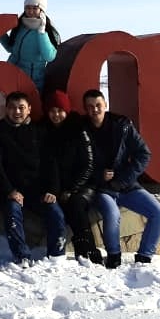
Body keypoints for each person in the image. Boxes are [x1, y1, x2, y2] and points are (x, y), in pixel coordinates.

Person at [81, 89, 160, 268]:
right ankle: (114, 256)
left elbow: (143, 154)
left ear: (105, 105)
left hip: (126, 184)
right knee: (112, 214)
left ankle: (144, 257)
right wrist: (99, 175)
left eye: (98, 105)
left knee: (158, 213)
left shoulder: (122, 125)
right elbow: (77, 162)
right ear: (85, 109)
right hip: (100, 188)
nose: (94, 109)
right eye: (90, 106)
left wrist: (122, 178)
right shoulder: (81, 130)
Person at [0, 91, 66, 265]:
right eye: (13, 108)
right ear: (6, 109)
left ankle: (57, 256)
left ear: (29, 109)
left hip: (37, 190)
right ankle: (22, 256)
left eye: (21, 107)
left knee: (56, 212)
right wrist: (9, 191)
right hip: (11, 190)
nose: (17, 112)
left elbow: (51, 164)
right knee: (12, 212)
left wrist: (52, 190)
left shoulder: (40, 131)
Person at [40, 90, 101, 264]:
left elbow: (88, 164)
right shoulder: (45, 131)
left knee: (75, 204)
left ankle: (88, 251)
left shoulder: (78, 129)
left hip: (84, 185)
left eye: (60, 110)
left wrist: (72, 189)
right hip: (61, 187)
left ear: (67, 110)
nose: (56, 115)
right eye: (52, 111)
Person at [0, 0, 61, 93]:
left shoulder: (48, 30)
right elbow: (10, 48)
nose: (30, 11)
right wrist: (0, 33)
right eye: (28, 7)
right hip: (11, 75)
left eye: (35, 8)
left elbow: (49, 56)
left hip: (32, 81)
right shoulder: (20, 26)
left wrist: (41, 32)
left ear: (42, 10)